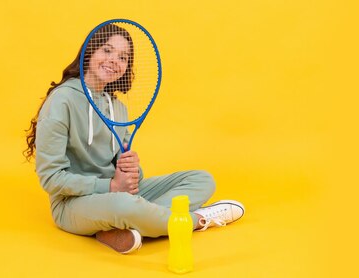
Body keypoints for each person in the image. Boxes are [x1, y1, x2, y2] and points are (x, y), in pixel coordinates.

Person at [24, 24, 244, 254]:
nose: (114, 60)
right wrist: (109, 186)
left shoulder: (118, 109)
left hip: (118, 196)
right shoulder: (62, 100)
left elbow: (130, 181)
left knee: (202, 179)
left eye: (123, 57)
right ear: (89, 53)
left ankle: (124, 228)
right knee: (123, 204)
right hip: (72, 204)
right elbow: (50, 178)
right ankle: (195, 220)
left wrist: (132, 171)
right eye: (107, 51)